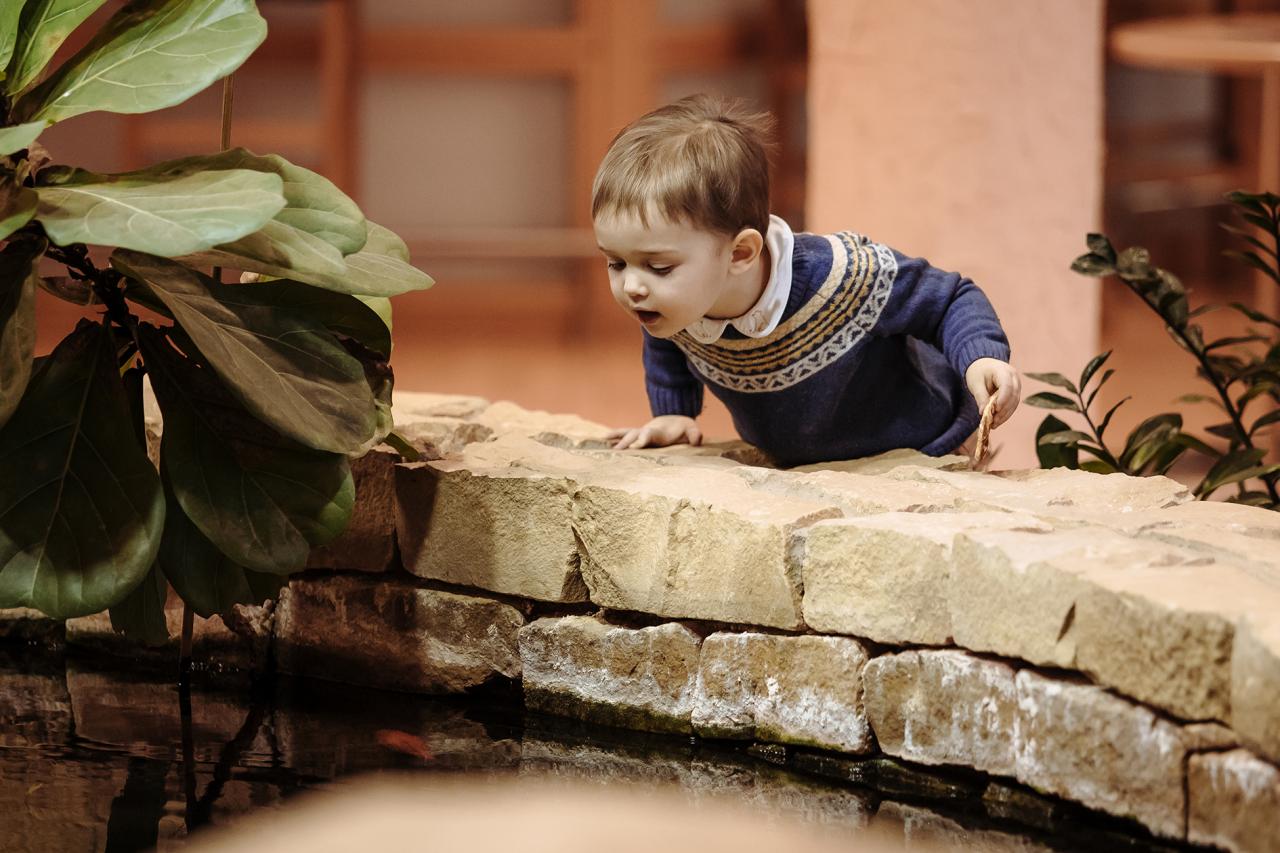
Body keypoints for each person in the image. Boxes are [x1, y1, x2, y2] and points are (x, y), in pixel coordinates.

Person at [593, 94, 1021, 467]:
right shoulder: (674, 304)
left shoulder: (845, 277)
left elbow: (949, 299)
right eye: (616, 263)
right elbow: (665, 335)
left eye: (658, 267)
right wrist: (674, 412)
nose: (633, 287)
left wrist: (981, 357)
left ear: (740, 253)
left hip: (923, 447)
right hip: (808, 464)